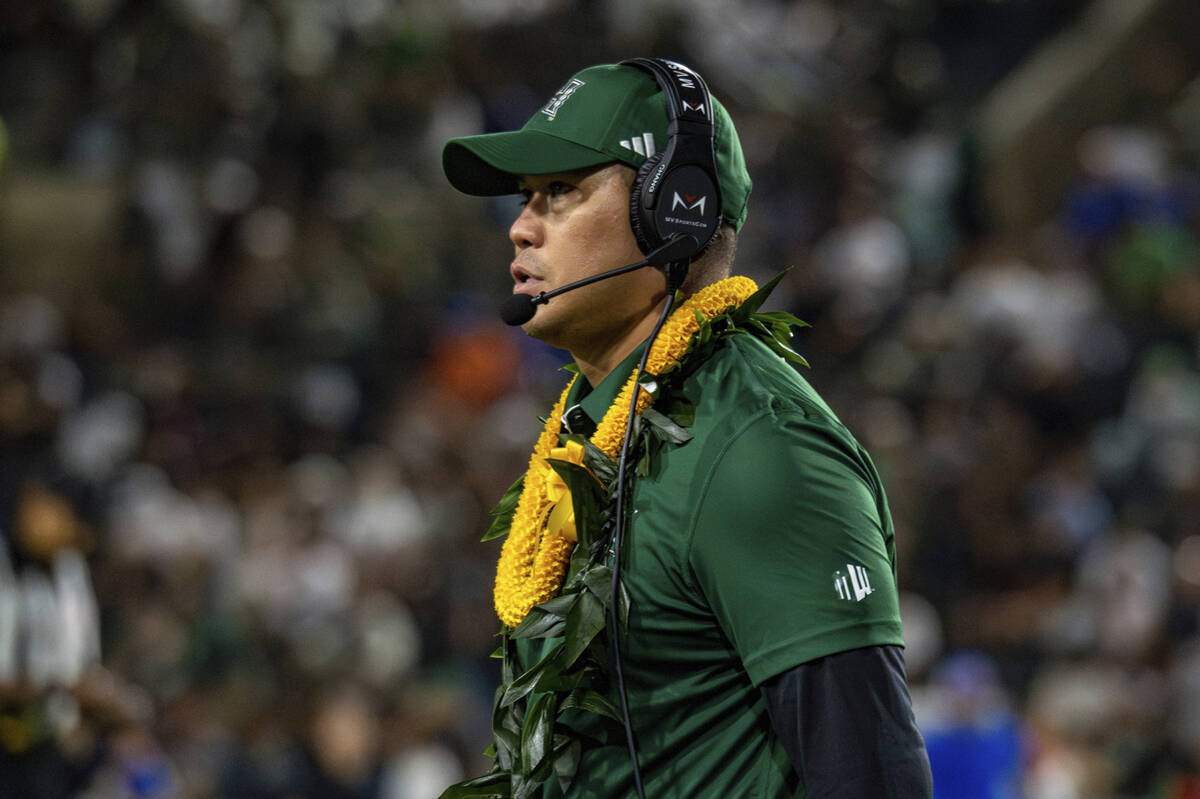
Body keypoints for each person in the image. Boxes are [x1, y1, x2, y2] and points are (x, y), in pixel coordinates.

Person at [439, 58, 933, 799]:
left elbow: (873, 779)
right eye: (525, 198)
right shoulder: (592, 428)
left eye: (562, 190)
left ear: (676, 208)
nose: (520, 227)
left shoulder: (758, 447)